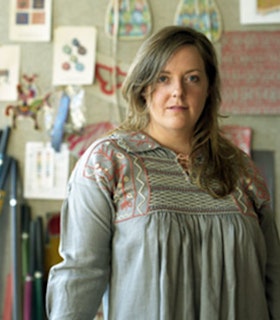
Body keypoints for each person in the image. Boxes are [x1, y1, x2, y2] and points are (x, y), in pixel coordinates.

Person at [46, 25, 280, 319]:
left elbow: (274, 276)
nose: (178, 91)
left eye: (192, 78)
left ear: (209, 89)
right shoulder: (107, 162)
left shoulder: (242, 170)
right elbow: (80, 274)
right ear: (144, 87)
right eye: (163, 78)